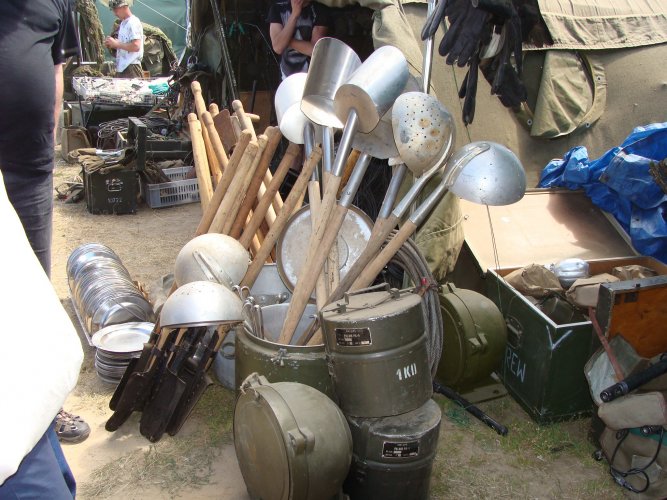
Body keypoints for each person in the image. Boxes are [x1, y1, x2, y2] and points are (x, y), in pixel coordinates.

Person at [0, 0, 90, 454]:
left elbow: (56, 66)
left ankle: (45, 408)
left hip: (30, 165)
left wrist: (50, 130)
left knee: (33, 287)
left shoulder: (57, 1)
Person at [268, 0, 333, 79]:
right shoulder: (277, 8)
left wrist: (284, 39)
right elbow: (278, 47)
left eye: (303, 30)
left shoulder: (320, 10)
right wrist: (294, 15)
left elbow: (315, 50)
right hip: (285, 80)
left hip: (312, 79)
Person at [104, 0, 144, 78]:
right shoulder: (123, 23)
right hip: (122, 68)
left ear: (124, 6)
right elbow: (124, 45)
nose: (115, 13)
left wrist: (117, 44)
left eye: (116, 9)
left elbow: (136, 46)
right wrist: (113, 44)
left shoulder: (133, 22)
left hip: (132, 68)